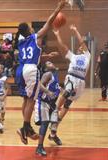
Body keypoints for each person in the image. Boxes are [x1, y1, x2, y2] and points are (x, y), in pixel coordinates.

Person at [15, 0, 67, 145]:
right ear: (29, 31)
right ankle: (25, 127)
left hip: (20, 69)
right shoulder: (35, 37)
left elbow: (32, 56)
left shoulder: (21, 42)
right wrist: (58, 8)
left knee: (26, 99)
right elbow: (49, 22)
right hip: (31, 70)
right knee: (32, 99)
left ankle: (27, 127)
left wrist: (47, 57)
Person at [52, 25, 91, 140]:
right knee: (67, 91)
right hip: (72, 77)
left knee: (68, 104)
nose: (80, 48)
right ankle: (54, 110)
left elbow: (81, 41)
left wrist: (75, 30)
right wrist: (57, 34)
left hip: (81, 82)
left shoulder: (87, 56)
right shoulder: (73, 56)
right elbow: (63, 46)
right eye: (79, 48)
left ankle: (54, 128)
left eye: (82, 48)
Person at [34, 61, 61, 156]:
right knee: (44, 124)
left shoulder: (55, 74)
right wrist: (48, 92)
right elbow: (39, 85)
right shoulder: (48, 74)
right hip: (44, 102)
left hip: (52, 103)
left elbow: (56, 88)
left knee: (55, 121)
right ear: (46, 68)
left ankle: (53, 135)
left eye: (51, 62)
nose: (52, 64)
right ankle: (39, 147)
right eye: (49, 63)